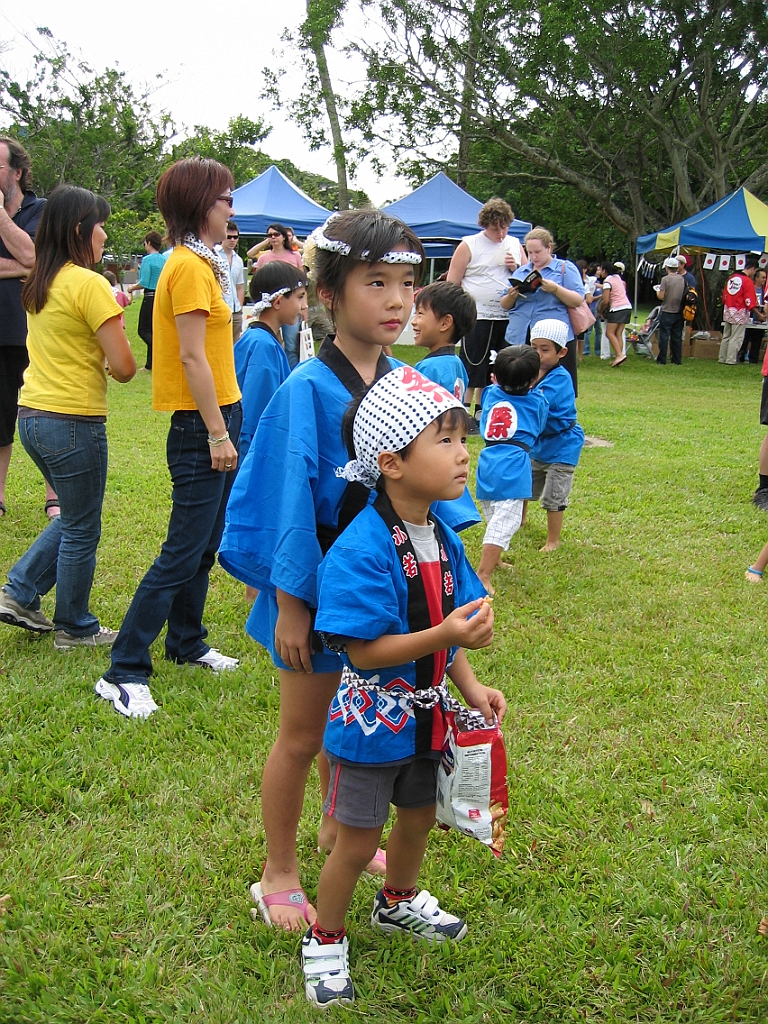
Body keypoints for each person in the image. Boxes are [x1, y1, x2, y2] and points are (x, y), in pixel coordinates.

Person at [220, 209, 426, 930]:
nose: (398, 300)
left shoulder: (409, 382)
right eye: (377, 282)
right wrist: (290, 605)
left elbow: (426, 487)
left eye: (408, 283)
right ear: (330, 292)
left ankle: (340, 831)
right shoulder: (306, 389)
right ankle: (279, 869)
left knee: (359, 724)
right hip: (312, 593)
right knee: (304, 734)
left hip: (381, 593)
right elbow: (281, 499)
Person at [299, 366, 506, 1007]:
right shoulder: (363, 546)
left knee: (416, 819)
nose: (462, 452)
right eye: (443, 441)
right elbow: (363, 650)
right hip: (372, 721)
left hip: (428, 717)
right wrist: (447, 637)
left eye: (461, 439)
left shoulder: (440, 533)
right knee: (359, 841)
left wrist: (469, 684)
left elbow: (456, 620)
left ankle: (397, 902)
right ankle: (325, 937)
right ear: (390, 461)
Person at [95, 157, 242, 720]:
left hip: (222, 412)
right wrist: (216, 432)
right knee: (182, 551)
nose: (232, 208)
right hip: (200, 424)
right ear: (201, 203)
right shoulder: (187, 267)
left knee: (204, 546)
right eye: (225, 197)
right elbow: (188, 355)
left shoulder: (207, 264)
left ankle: (186, 642)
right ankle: (124, 669)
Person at [0, 185, 136, 645]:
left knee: (74, 515)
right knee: (82, 526)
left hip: (32, 415)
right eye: (100, 225)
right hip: (74, 420)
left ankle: (20, 590)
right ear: (81, 229)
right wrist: (112, 321)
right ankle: (75, 627)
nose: (103, 235)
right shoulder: (89, 283)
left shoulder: (42, 280)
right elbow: (123, 368)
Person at [0, 136, 59, 521]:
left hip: (40, 330)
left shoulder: (44, 212)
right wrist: (25, 267)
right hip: (0, 333)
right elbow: (30, 263)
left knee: (48, 413)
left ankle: (55, 497)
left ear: (17, 172)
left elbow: (38, 258)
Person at [446, 198, 525, 429]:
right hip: (476, 314)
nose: (501, 233)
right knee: (473, 361)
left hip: (506, 315)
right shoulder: (469, 244)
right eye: (495, 227)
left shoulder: (515, 245)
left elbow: (528, 278)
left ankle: (484, 410)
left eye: (505, 227)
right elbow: (453, 282)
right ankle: (464, 410)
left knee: (496, 364)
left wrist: (516, 268)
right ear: (484, 225)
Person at [474, 346, 548, 592]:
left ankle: (494, 560)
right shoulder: (537, 400)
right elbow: (539, 426)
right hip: (514, 463)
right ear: (532, 379)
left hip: (488, 460)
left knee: (495, 517)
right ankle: (483, 574)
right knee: (506, 520)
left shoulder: (490, 394)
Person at [235, 261, 308, 464]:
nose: (304, 305)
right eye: (300, 297)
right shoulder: (263, 346)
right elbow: (254, 417)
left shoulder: (260, 338)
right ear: (277, 302)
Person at [502, 226, 586, 390]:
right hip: (520, 333)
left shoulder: (564, 268)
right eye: (530, 252)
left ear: (549, 247)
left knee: (555, 384)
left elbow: (578, 299)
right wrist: (511, 295)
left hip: (552, 335)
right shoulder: (521, 271)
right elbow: (504, 305)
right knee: (518, 382)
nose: (533, 257)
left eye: (538, 252)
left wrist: (556, 289)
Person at [528, 319, 585, 551]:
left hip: (563, 444)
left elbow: (539, 403)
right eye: (534, 348)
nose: (538, 355)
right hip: (540, 443)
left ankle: (553, 540)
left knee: (554, 495)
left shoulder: (560, 377)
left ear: (561, 352)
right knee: (525, 485)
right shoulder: (532, 373)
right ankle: (520, 520)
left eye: (545, 349)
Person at [252, 224, 305, 369]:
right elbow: (250, 254)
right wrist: (265, 242)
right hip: (273, 308)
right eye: (270, 235)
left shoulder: (295, 255)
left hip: (288, 305)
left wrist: (302, 303)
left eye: (276, 234)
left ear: (284, 237)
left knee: (290, 344)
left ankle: (290, 373)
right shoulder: (264, 258)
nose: (273, 237)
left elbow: (302, 284)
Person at [412, 281, 474, 400]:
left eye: (420, 314)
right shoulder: (457, 364)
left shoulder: (429, 368)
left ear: (445, 323)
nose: (413, 321)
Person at [127, 231, 165, 370]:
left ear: (149, 243)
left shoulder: (148, 260)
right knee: (153, 329)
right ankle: (150, 364)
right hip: (160, 298)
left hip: (149, 297)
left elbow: (144, 281)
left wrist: (131, 288)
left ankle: (159, 349)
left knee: (143, 330)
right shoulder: (164, 260)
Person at [719, 256, 759, 365]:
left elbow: (724, 296)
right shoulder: (747, 281)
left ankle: (722, 357)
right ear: (752, 268)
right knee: (736, 337)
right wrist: (758, 313)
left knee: (726, 336)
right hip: (739, 312)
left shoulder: (732, 278)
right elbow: (749, 300)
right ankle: (730, 359)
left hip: (728, 310)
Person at [655, 256, 686, 365]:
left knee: (664, 336)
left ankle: (662, 358)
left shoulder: (665, 279)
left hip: (667, 310)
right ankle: (676, 359)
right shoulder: (682, 279)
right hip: (679, 311)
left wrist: (658, 292)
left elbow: (661, 296)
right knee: (676, 337)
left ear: (667, 267)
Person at [221, 219, 245, 342]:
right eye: (229, 237)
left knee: (235, 347)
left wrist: (240, 307)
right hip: (220, 308)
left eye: (235, 237)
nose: (232, 240)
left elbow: (240, 286)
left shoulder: (239, 260)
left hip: (235, 311)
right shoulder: (214, 255)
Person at [738, 268, 767, 364]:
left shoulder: (765, 291)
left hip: (760, 319)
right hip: (748, 317)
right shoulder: (750, 288)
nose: (764, 280)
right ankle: (741, 356)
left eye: (765, 278)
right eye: (762, 277)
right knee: (744, 338)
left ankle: (753, 359)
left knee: (757, 339)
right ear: (756, 278)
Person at [584, 263, 603, 358]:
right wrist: (600, 296)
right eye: (598, 269)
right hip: (592, 308)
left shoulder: (598, 281)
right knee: (589, 330)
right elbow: (589, 298)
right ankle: (586, 350)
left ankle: (598, 350)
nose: (600, 271)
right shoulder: (592, 281)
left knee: (599, 330)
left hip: (597, 308)